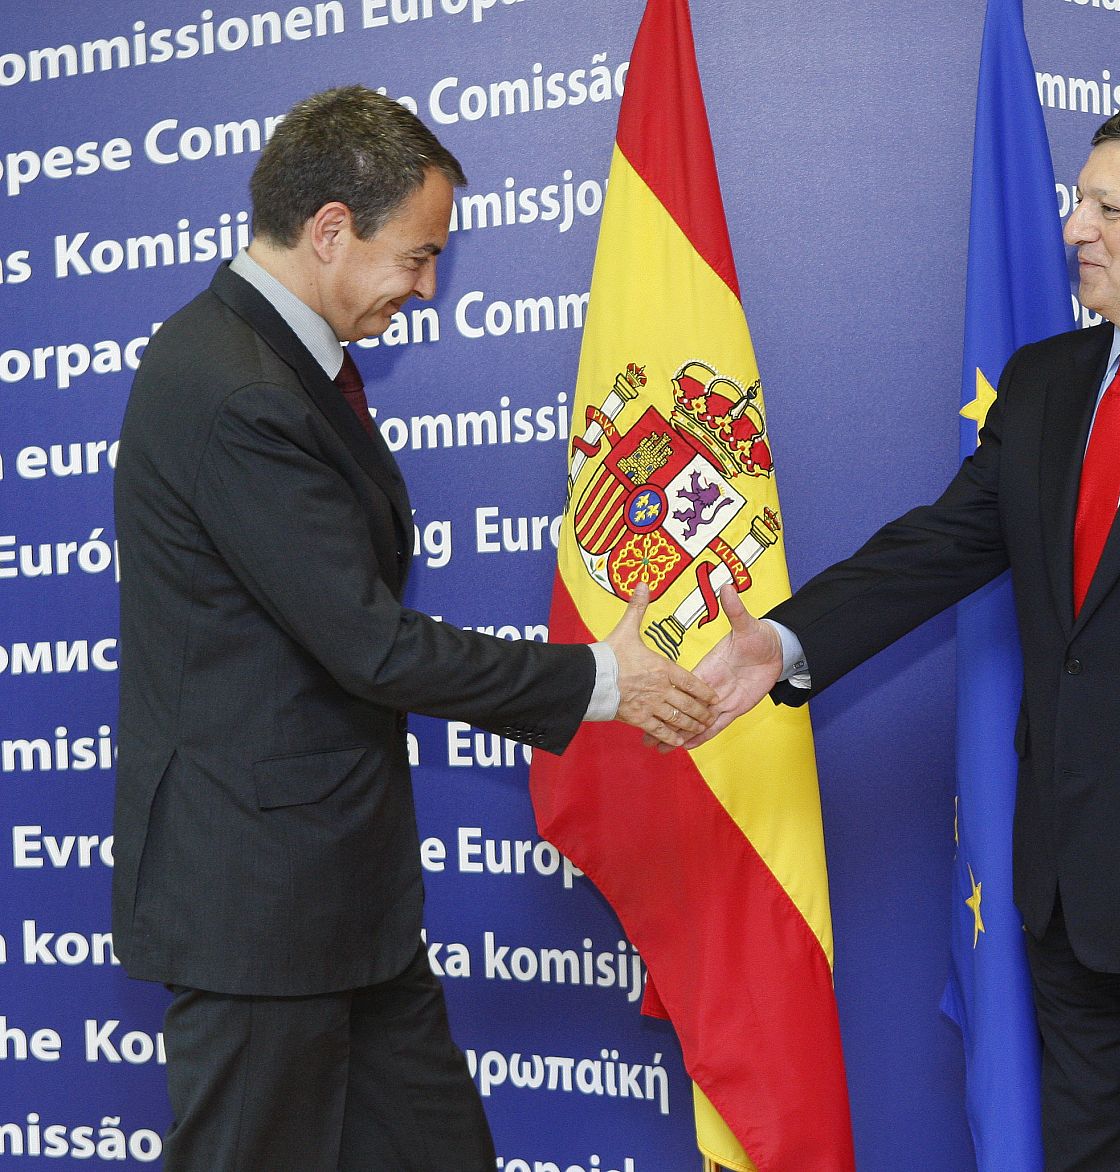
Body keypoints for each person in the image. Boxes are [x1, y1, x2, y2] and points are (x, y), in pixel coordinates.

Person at [691, 102, 1120, 1171]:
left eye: (1109, 207)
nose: (1075, 227)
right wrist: (783, 642)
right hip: (1071, 898)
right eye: (1077, 201)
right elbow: (940, 545)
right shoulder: (1047, 381)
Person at [111, 85, 715, 1170]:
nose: (428, 288)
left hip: (343, 898)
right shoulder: (232, 384)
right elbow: (370, 641)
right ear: (331, 228)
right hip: (261, 906)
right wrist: (598, 679)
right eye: (418, 255)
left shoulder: (281, 360)